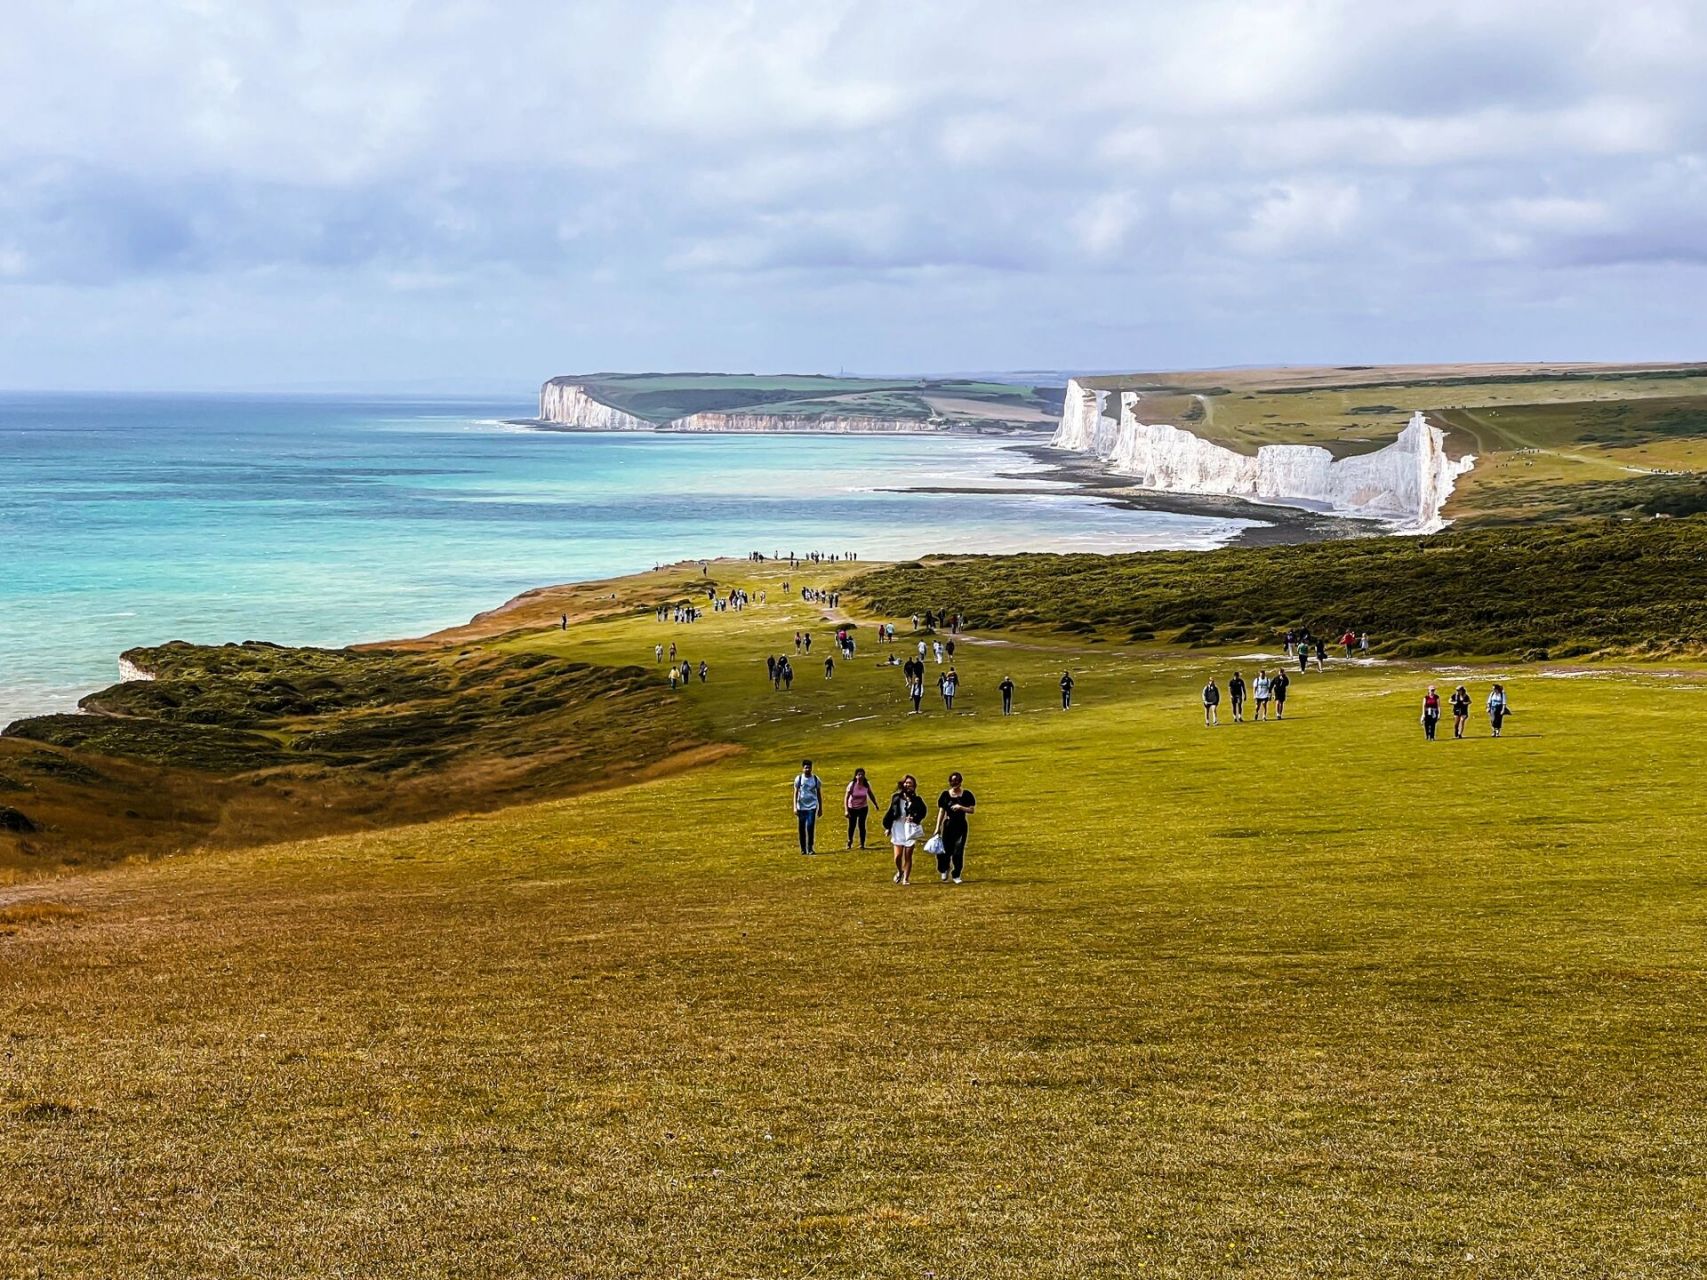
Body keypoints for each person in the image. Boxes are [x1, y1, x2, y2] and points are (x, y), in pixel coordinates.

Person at [934, 772, 977, 884]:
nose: (955, 783)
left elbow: (971, 810)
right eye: (953, 781)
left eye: (957, 781)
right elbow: (941, 812)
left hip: (961, 825)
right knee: (945, 850)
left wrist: (961, 807)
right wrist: (937, 827)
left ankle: (956, 874)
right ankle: (944, 868)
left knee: (958, 850)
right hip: (948, 825)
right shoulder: (945, 795)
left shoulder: (967, 794)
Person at [883, 775, 927, 885]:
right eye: (906, 783)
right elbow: (891, 813)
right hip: (898, 828)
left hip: (910, 829)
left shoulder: (917, 800)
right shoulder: (896, 798)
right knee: (898, 857)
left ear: (914, 786)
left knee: (908, 855)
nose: (908, 785)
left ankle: (906, 879)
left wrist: (914, 818)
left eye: (910, 783)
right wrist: (888, 827)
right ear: (903, 784)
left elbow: (923, 812)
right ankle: (900, 871)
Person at [793, 760, 823, 854]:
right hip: (801, 807)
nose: (808, 769)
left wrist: (820, 808)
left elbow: (818, 794)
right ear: (803, 768)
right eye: (806, 767)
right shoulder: (799, 779)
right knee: (801, 828)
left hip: (812, 806)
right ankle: (803, 849)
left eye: (809, 767)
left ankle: (810, 848)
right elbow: (795, 793)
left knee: (810, 827)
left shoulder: (815, 779)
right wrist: (795, 807)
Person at [845, 767, 876, 849]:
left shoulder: (866, 785)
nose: (860, 776)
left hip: (863, 808)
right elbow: (846, 798)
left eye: (862, 774)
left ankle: (862, 844)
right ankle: (849, 841)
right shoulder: (852, 785)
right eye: (858, 774)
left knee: (862, 826)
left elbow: (870, 794)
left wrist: (875, 804)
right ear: (855, 776)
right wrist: (846, 810)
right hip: (852, 808)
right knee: (852, 825)